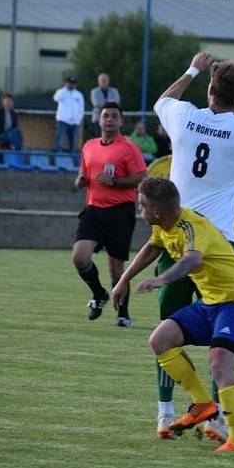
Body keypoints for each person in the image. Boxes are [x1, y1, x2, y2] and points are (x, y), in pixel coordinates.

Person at [151, 51, 234, 442]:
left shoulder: (185, 116)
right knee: (222, 338)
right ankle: (218, 417)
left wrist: (191, 68)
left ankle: (165, 411)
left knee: (167, 333)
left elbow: (161, 102)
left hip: (176, 240)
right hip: (220, 247)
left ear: (209, 90)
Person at [111, 177, 234, 453]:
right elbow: (152, 247)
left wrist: (161, 280)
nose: (138, 209)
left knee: (219, 365)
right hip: (209, 304)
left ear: (156, 211)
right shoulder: (163, 226)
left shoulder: (193, 225)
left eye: (141, 205)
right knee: (160, 340)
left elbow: (193, 259)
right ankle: (203, 404)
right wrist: (124, 279)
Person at [72, 102, 147, 327]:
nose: (110, 119)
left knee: (115, 268)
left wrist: (115, 182)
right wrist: (80, 180)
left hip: (119, 212)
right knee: (79, 256)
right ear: (99, 119)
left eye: (114, 116)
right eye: (106, 116)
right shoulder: (89, 146)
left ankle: (123, 313)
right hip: (93, 209)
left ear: (121, 121)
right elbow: (83, 172)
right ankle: (99, 294)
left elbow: (143, 176)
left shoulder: (128, 148)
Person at [53, 76, 85, 153]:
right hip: (63, 121)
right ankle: (58, 154)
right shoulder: (61, 92)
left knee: (73, 141)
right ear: (66, 83)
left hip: (74, 122)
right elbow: (56, 98)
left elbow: (81, 108)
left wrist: (78, 120)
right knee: (59, 140)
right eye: (70, 83)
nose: (71, 85)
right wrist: (65, 89)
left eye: (73, 83)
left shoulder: (79, 94)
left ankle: (71, 156)